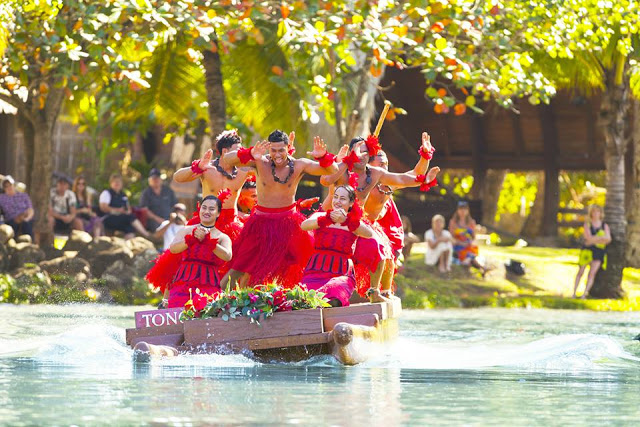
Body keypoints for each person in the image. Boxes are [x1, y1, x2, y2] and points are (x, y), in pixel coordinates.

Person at [321, 132, 439, 302]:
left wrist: (425, 160)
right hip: (335, 220)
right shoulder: (342, 171)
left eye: (365, 152)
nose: (362, 155)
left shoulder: (376, 175)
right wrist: (336, 164)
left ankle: (378, 292)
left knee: (382, 249)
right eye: (358, 151)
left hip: (361, 224)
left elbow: (408, 177)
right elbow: (325, 180)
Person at [222, 129, 339, 288]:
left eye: (281, 150)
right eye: (273, 150)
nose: (277, 154)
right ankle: (223, 305)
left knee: (308, 262)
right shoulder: (259, 162)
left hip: (289, 223)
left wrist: (323, 157)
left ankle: (313, 298)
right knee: (238, 268)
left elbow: (333, 171)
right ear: (269, 148)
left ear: (288, 146)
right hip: (260, 223)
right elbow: (228, 160)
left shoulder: (299, 165)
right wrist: (249, 152)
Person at [301, 185, 373, 307]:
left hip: (341, 273)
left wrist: (346, 221)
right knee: (305, 297)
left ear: (351, 203)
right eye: (335, 197)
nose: (337, 201)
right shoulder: (321, 216)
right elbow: (304, 225)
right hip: (315, 270)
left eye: (343, 198)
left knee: (335, 293)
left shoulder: (353, 222)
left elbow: (369, 233)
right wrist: (327, 219)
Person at [174, 130, 251, 243]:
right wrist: (197, 167)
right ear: (225, 151)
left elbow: (269, 168)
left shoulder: (244, 170)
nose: (240, 154)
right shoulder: (207, 169)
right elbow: (178, 177)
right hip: (206, 221)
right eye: (237, 151)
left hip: (231, 223)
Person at [165, 195, 232, 308]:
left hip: (209, 285)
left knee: (205, 318)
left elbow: (228, 256)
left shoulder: (222, 237)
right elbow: (173, 249)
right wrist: (190, 240)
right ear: (199, 209)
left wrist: (208, 241)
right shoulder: (187, 230)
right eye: (204, 208)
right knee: (177, 315)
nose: (207, 211)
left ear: (218, 213)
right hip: (183, 283)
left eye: (211, 209)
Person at [572, 204, 611, 299]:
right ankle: (574, 292)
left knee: (591, 273)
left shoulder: (604, 225)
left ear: (601, 213)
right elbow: (588, 238)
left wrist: (594, 240)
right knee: (581, 271)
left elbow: (608, 239)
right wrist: (601, 239)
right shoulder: (587, 224)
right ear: (591, 213)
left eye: (597, 211)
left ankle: (584, 294)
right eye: (593, 211)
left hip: (599, 252)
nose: (596, 213)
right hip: (587, 250)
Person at [99, 173, 150, 239]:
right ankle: (146, 234)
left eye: (119, 182)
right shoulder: (106, 193)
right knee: (130, 217)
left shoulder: (123, 195)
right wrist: (118, 210)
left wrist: (126, 211)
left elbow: (128, 208)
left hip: (121, 218)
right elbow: (103, 208)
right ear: (111, 183)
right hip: (108, 218)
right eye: (115, 181)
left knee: (129, 227)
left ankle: (127, 245)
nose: (117, 183)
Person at [449, 201, 487, 276]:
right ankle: (479, 268)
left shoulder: (471, 222)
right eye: (461, 209)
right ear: (457, 210)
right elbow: (451, 237)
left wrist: (469, 242)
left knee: (470, 255)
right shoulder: (453, 222)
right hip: (457, 246)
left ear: (467, 211)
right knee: (466, 257)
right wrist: (460, 243)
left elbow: (473, 237)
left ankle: (481, 268)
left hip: (468, 246)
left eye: (464, 209)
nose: (462, 211)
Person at [139, 168, 178, 233]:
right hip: (154, 221)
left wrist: (172, 219)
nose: (155, 180)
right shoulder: (146, 193)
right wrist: (158, 219)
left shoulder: (168, 191)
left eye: (157, 178)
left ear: (161, 179)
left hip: (170, 219)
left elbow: (175, 206)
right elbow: (145, 210)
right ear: (149, 180)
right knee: (161, 230)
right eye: (153, 178)